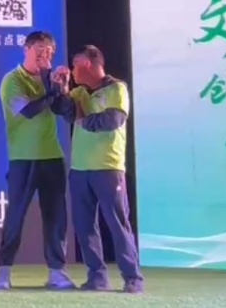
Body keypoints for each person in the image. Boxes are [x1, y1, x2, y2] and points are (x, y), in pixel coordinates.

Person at [0, 30, 77, 291]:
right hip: (23, 158)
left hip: (52, 156)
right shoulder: (12, 80)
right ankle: (3, 271)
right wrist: (52, 90)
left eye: (49, 52)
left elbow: (65, 112)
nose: (44, 55)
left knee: (56, 217)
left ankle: (56, 272)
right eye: (39, 50)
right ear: (26, 50)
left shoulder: (50, 79)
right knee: (16, 216)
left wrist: (63, 89)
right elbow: (29, 110)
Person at [57, 45, 144, 294]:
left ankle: (132, 278)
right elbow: (64, 111)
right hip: (80, 168)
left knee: (117, 224)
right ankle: (97, 277)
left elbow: (111, 121)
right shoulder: (79, 92)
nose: (72, 70)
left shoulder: (117, 88)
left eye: (74, 65)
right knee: (85, 227)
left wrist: (82, 118)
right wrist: (61, 87)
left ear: (87, 63)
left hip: (108, 167)